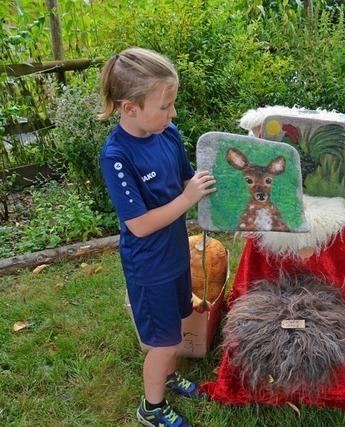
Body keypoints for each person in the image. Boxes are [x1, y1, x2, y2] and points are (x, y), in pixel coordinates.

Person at [98, 47, 215, 427]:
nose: (173, 114)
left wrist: (209, 186)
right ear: (129, 108)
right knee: (162, 342)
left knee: (177, 325)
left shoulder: (167, 133)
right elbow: (140, 225)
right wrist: (188, 198)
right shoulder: (116, 156)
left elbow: (186, 177)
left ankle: (167, 374)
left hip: (175, 254)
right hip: (149, 267)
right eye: (165, 106)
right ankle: (151, 407)